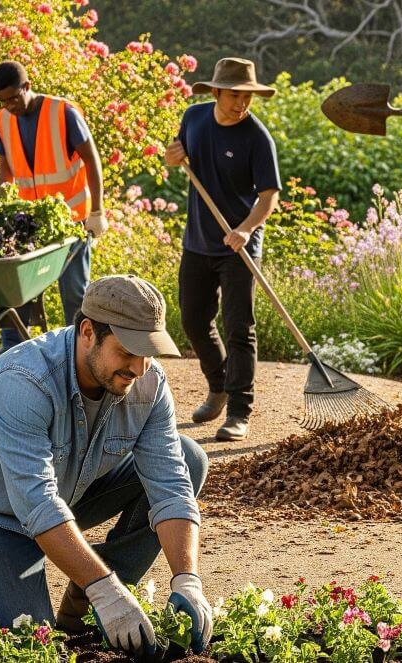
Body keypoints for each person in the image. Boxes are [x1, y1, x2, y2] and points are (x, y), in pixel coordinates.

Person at [0, 275, 212, 658]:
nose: (139, 368)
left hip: (67, 490)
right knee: (30, 644)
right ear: (88, 332)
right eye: (127, 351)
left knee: (190, 460)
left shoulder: (147, 381)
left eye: (149, 352)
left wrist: (187, 580)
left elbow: (171, 485)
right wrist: (106, 590)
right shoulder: (25, 380)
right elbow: (37, 503)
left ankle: (89, 605)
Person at [164, 57, 281, 442]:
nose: (241, 104)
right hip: (198, 240)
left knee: (239, 328)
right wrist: (172, 158)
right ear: (215, 92)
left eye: (247, 97)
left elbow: (268, 198)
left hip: (238, 245)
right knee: (193, 320)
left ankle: (239, 411)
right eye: (234, 95)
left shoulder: (257, 137)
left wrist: (246, 230)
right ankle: (218, 385)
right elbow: (177, 156)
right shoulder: (194, 118)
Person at [0, 60, 108, 354]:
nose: (9, 106)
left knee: (73, 294)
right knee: (17, 292)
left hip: (72, 221)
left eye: (13, 98)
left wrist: (98, 212)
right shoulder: (3, 119)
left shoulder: (62, 113)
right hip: (29, 224)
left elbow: (92, 160)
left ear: (27, 87)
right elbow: (6, 170)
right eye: (2, 101)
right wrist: (0, 208)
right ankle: (11, 356)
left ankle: (81, 357)